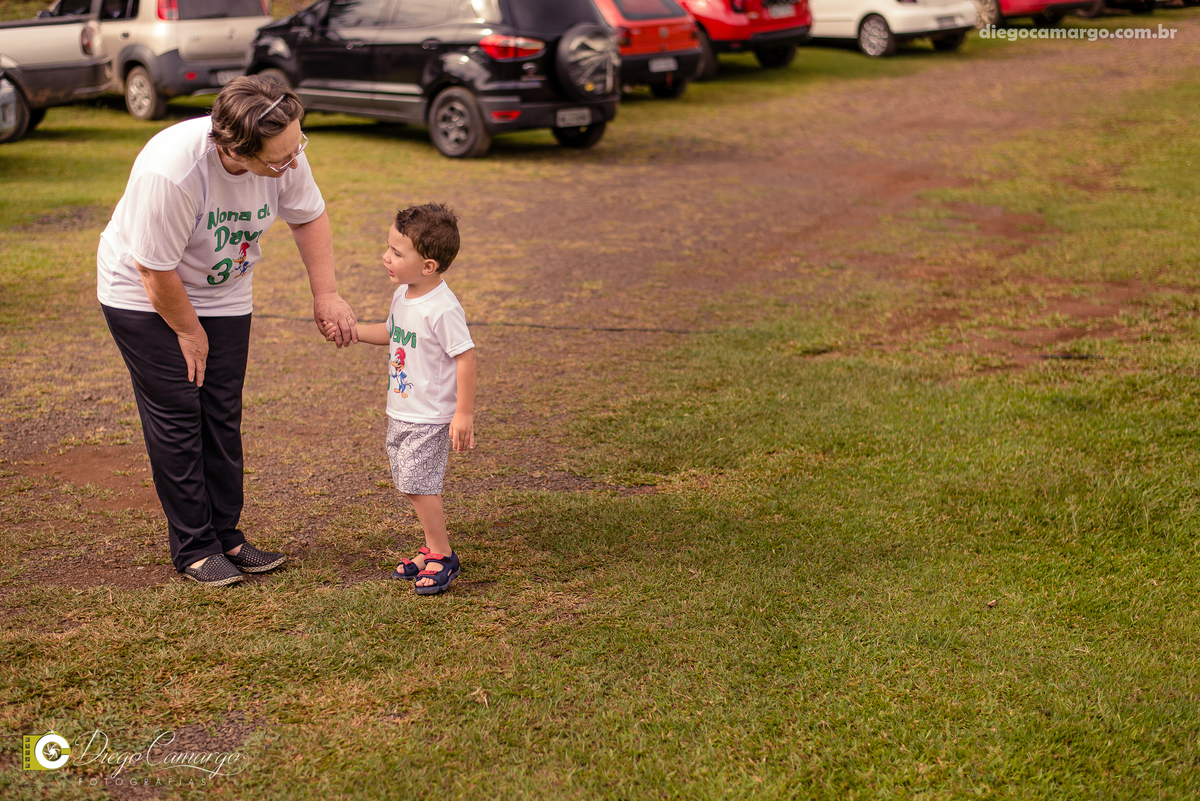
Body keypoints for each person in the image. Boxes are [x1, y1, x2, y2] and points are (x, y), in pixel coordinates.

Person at [97, 76, 358, 587]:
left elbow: (309, 216)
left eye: (296, 147)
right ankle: (194, 547)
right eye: (278, 158)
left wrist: (325, 293)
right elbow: (153, 270)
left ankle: (227, 535)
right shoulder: (172, 172)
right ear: (233, 147)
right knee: (178, 410)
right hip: (143, 292)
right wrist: (189, 332)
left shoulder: (284, 152)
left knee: (221, 409)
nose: (291, 162)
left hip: (223, 291)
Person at [330, 203, 476, 595]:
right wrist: (354, 331)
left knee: (418, 483)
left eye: (397, 252)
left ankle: (443, 555)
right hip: (403, 408)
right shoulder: (403, 295)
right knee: (410, 480)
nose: (386, 257)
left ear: (428, 265)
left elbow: (466, 357)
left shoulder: (442, 308)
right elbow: (393, 334)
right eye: (388, 248)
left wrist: (463, 413)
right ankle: (431, 547)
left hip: (430, 415)